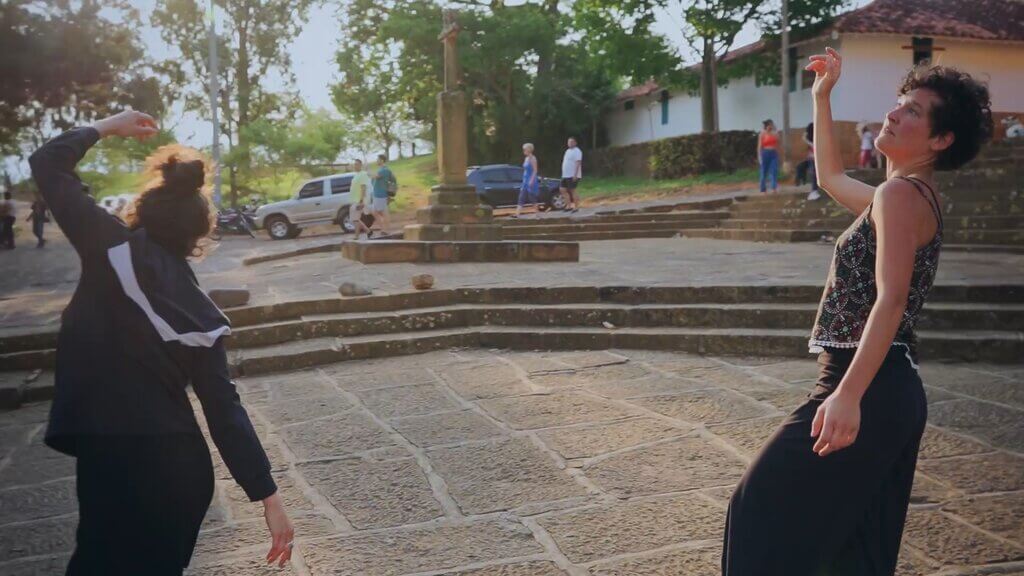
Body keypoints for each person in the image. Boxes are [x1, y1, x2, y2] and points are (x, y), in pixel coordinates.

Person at [722, 49, 993, 576]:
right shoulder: (908, 196)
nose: (894, 113)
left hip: (866, 383)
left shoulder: (898, 195)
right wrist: (823, 98)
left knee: (756, 510)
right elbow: (828, 177)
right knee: (854, 550)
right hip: (890, 387)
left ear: (941, 140)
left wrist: (847, 395)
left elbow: (891, 298)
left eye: (913, 110)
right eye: (899, 103)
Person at [29, 111, 294, 575]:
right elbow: (223, 407)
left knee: (94, 563)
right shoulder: (200, 312)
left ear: (141, 209)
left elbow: (48, 162)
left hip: (107, 451)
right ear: (198, 237)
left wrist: (108, 125)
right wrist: (268, 495)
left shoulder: (106, 245)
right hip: (174, 470)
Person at [370, 154, 395, 237]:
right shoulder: (382, 169)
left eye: (378, 159)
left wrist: (368, 171)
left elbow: (375, 176)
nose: (376, 161)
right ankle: (384, 229)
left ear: (382, 160)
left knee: (383, 212)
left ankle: (386, 230)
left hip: (380, 194)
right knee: (375, 211)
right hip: (377, 194)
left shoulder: (384, 170)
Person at [349, 159, 373, 240]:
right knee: (355, 218)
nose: (355, 166)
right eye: (354, 164)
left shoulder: (363, 174)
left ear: (360, 165)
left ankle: (357, 235)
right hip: (355, 200)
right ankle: (368, 231)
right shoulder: (356, 175)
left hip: (359, 200)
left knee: (354, 218)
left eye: (357, 164)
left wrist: (361, 200)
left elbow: (363, 188)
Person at [515, 143, 540, 219]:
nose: (523, 151)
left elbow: (535, 170)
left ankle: (537, 214)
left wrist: (531, 180)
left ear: (529, 149)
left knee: (531, 197)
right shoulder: (526, 158)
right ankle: (517, 214)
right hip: (525, 180)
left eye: (525, 149)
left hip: (531, 179)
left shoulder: (533, 158)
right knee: (521, 197)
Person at [560, 137, 583, 212]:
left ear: (575, 143)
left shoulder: (577, 151)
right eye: (569, 142)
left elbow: (578, 162)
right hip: (565, 174)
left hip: (572, 174)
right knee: (562, 189)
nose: (570, 143)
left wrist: (575, 174)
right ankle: (568, 205)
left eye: (572, 142)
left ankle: (576, 207)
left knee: (572, 190)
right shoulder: (567, 151)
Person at [757, 119, 780, 194]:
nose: (771, 126)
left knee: (774, 171)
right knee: (764, 172)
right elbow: (760, 146)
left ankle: (773, 188)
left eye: (772, 124)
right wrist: (759, 157)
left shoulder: (774, 133)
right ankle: (763, 189)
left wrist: (775, 129)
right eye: (770, 124)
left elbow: (777, 141)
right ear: (767, 126)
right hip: (765, 153)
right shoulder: (762, 134)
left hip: (773, 153)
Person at [804, 122, 821, 201]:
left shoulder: (811, 138)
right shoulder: (817, 136)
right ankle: (814, 191)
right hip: (816, 157)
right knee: (815, 175)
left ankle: (814, 191)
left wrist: (806, 139)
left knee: (813, 174)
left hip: (812, 157)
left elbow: (813, 146)